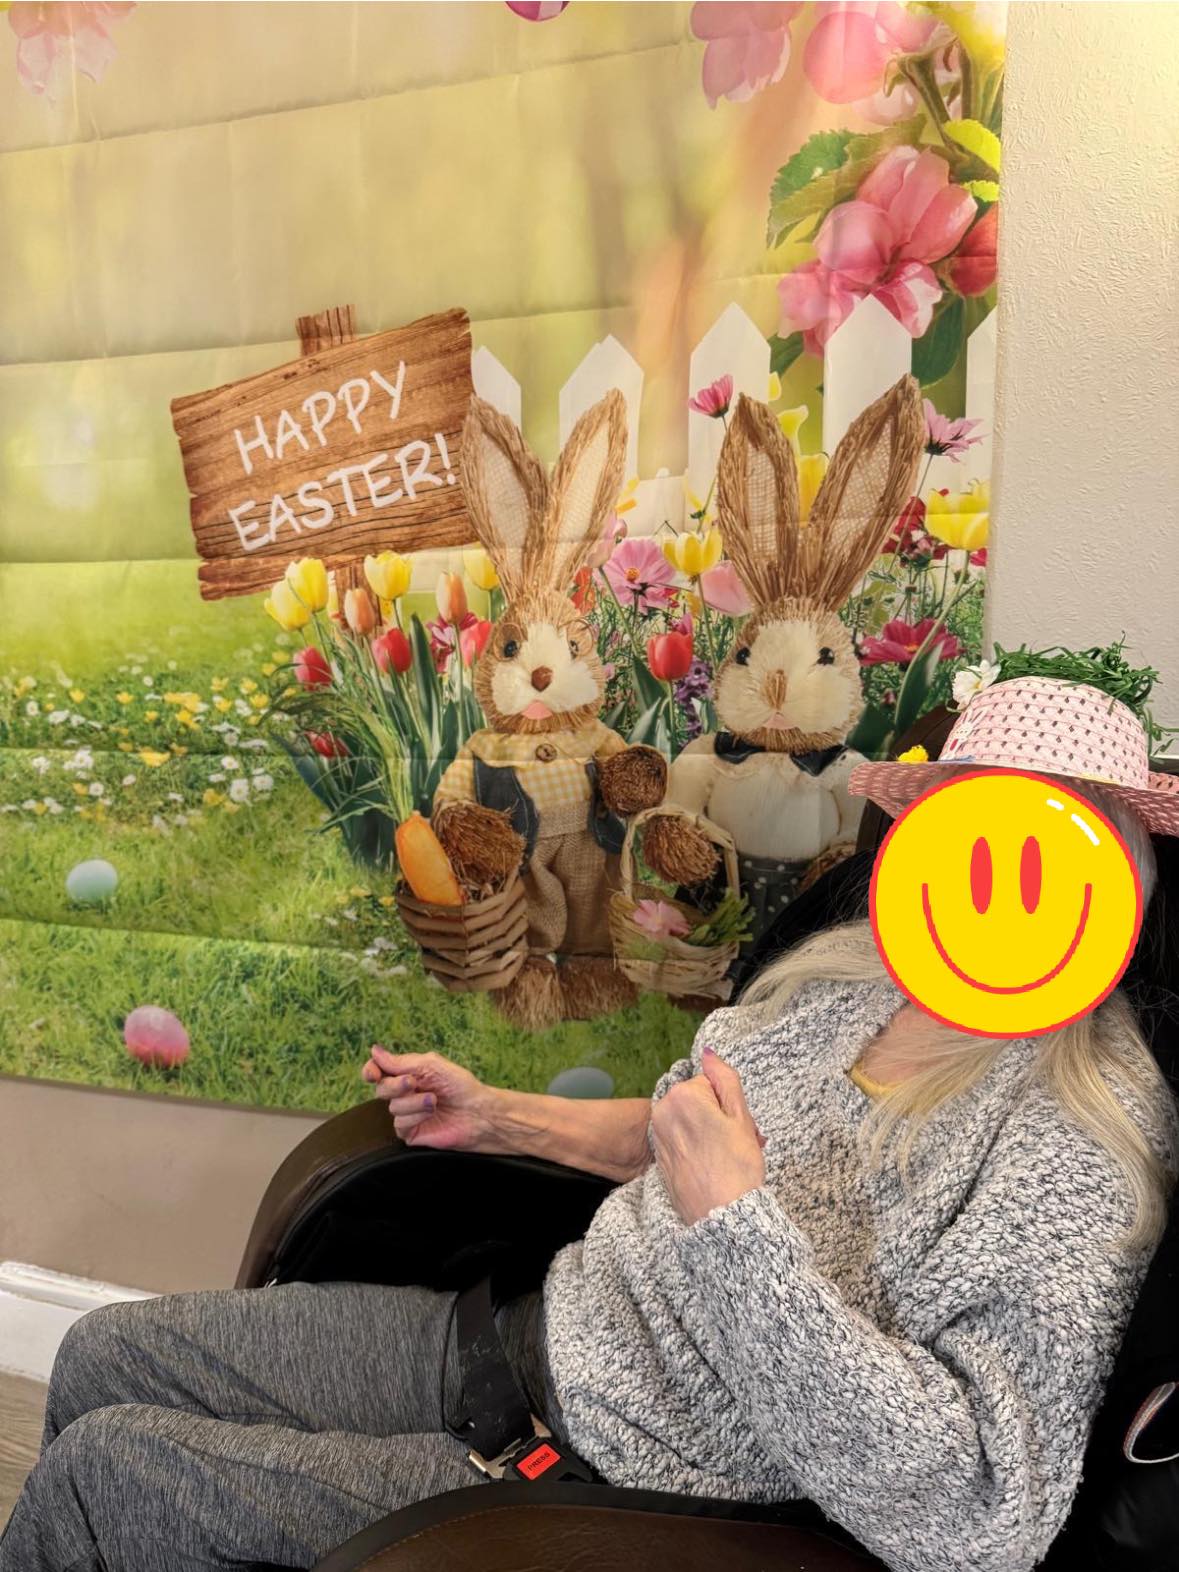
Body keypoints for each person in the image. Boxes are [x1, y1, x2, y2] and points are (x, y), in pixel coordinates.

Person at [3, 675, 1177, 1572]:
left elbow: (982, 1517)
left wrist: (738, 1233)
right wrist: (502, 1116)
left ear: (1111, 867)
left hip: (623, 1475)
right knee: (108, 1353)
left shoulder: (1074, 1135)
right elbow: (685, 1132)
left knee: (114, 1479)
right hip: (525, 1336)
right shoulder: (856, 975)